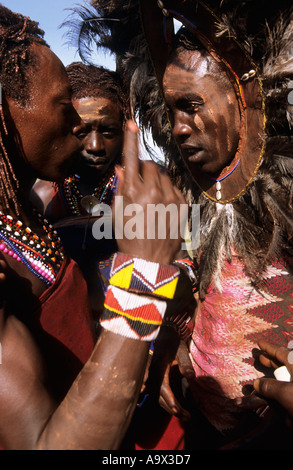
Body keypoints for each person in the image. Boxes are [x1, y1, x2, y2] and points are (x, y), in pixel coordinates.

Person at [76, 0, 293, 449]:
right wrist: (169, 345)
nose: (177, 129)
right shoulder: (193, 190)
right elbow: (199, 275)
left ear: (243, 101)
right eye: (171, 110)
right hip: (203, 423)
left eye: (191, 105)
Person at [0, 5, 187, 450]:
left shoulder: (22, 214)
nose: (80, 126)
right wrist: (144, 274)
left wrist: (147, 349)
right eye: (64, 106)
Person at [31, 62, 128, 317]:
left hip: (137, 330)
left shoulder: (144, 191)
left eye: (108, 131)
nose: (95, 146)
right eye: (82, 131)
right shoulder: (40, 198)